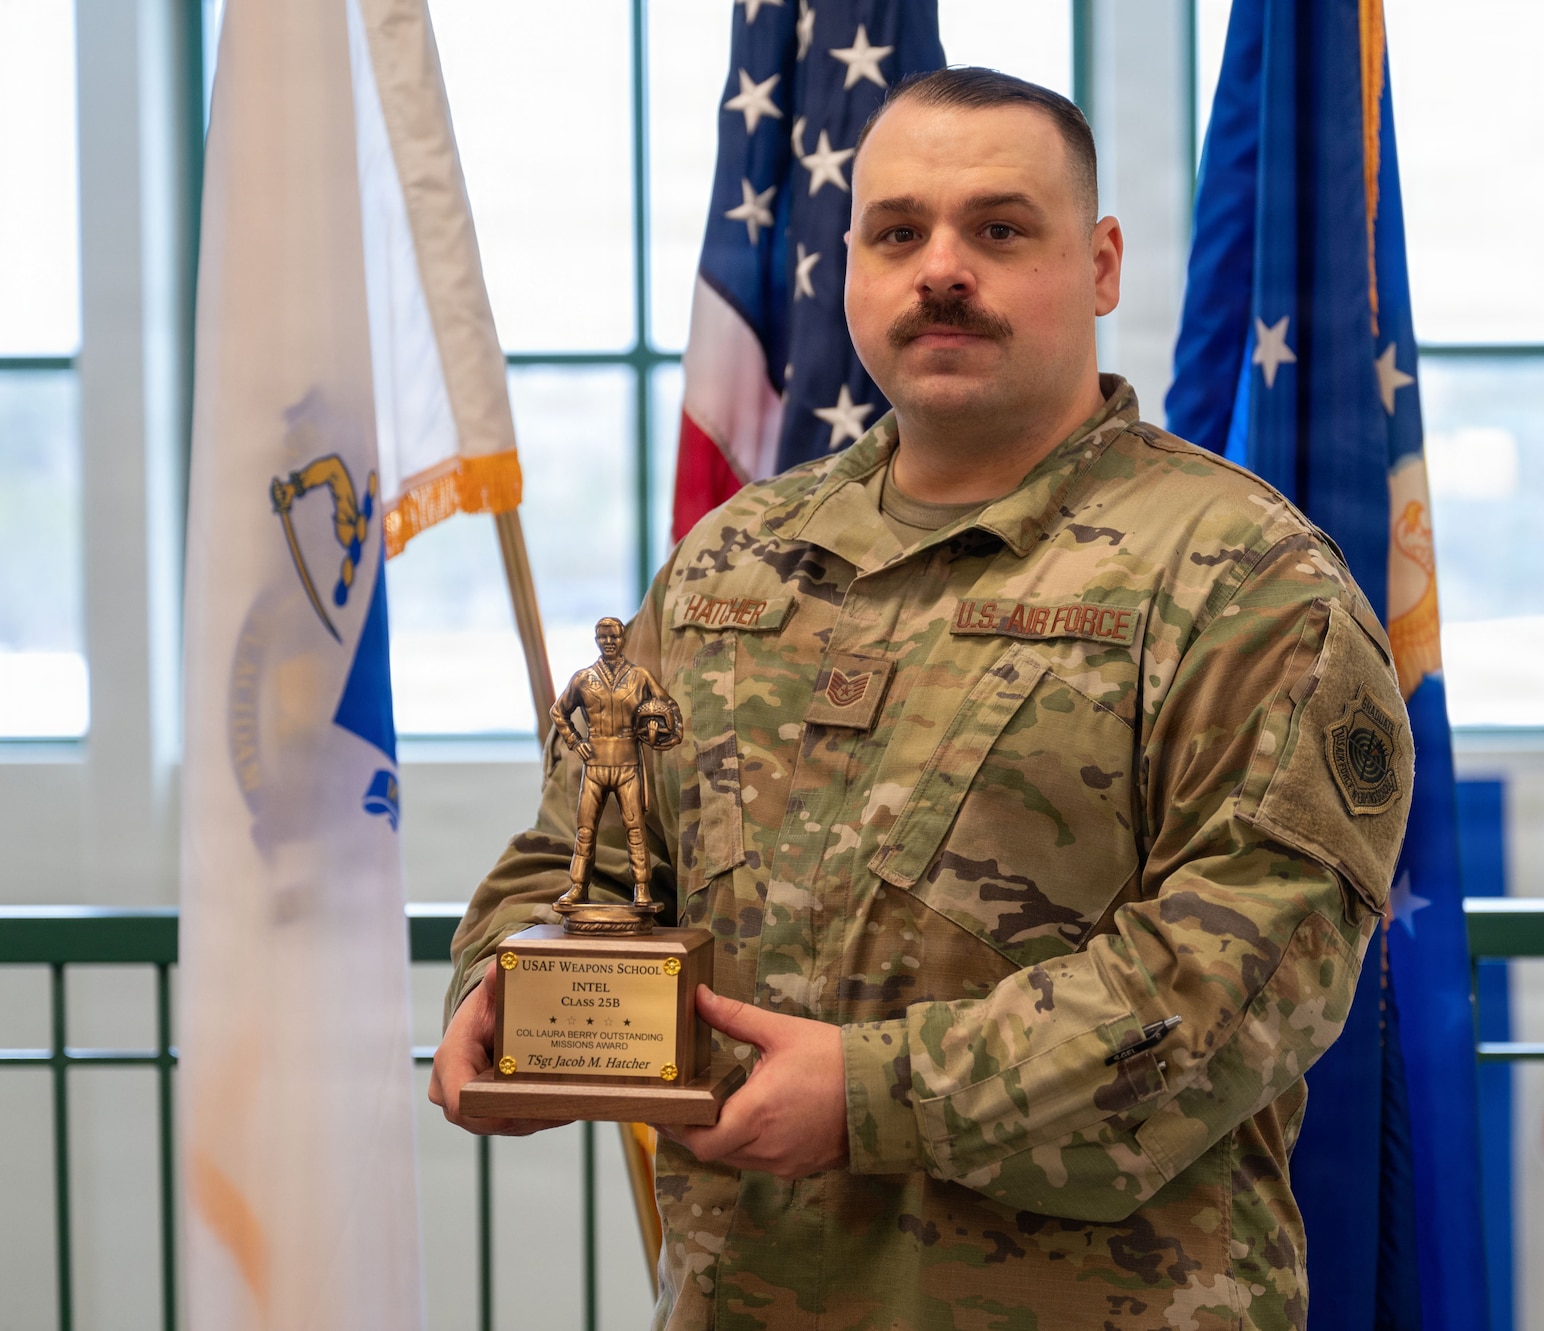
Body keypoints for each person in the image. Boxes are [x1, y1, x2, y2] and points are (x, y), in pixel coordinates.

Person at [431, 67, 1414, 1331]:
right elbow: (579, 856)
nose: (940, 268)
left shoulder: (1243, 580)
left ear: (1102, 264)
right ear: (851, 265)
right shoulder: (733, 562)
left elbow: (1237, 987)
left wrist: (876, 1090)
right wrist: (506, 1001)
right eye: (898, 232)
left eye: (999, 230)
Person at [548, 616, 675, 913]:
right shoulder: (583, 678)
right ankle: (578, 886)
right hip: (595, 764)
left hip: (628, 763)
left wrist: (660, 730)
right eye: (603, 637)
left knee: (635, 829)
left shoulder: (640, 677)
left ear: (623, 639)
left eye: (614, 637)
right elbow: (558, 712)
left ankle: (641, 889)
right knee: (585, 830)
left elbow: (669, 707)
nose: (609, 642)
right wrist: (574, 741)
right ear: (596, 640)